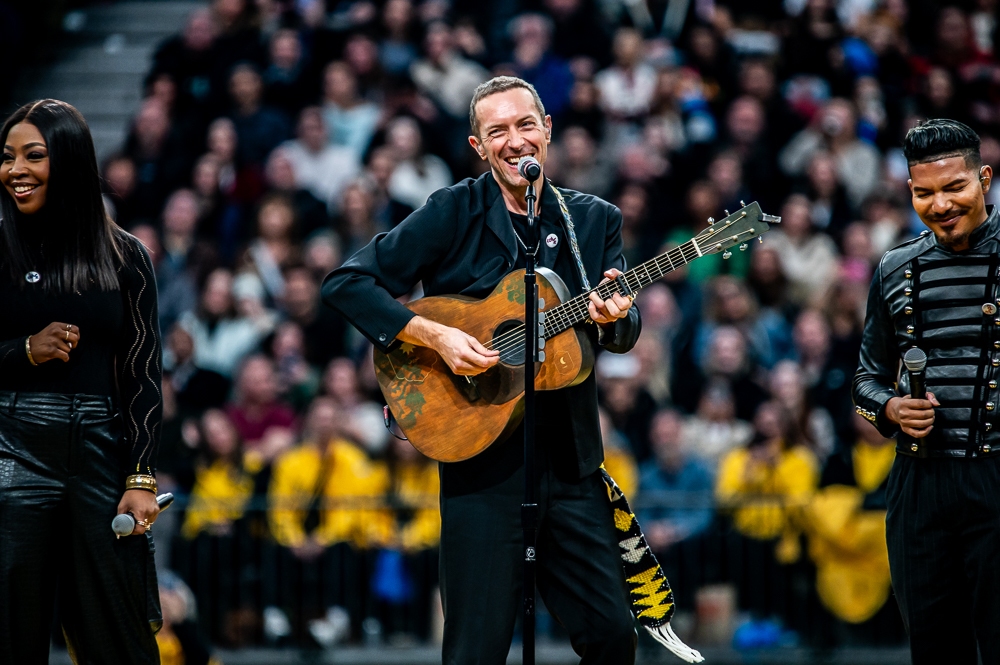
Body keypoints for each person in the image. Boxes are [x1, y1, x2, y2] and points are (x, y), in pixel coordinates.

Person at [323, 76, 642, 664]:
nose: (515, 140)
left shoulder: (594, 220)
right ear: (478, 147)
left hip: (570, 462)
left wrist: (615, 317)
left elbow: (620, 329)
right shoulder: (453, 211)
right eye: (498, 131)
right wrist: (435, 335)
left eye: (525, 125)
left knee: (612, 632)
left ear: (548, 130)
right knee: (475, 649)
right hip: (479, 461)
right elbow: (347, 283)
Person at [0, 99, 162, 663]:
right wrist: (23, 350)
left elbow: (143, 373)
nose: (15, 170)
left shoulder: (127, 257)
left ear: (68, 160)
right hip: (10, 450)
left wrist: (140, 475)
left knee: (121, 641)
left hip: (100, 453)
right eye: (7, 157)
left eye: (33, 156)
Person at [853, 118, 1000, 663]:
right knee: (935, 652)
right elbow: (865, 379)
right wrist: (890, 407)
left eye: (954, 187)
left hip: (995, 476)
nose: (940, 205)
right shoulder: (894, 268)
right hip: (919, 489)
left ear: (983, 178)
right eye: (924, 193)